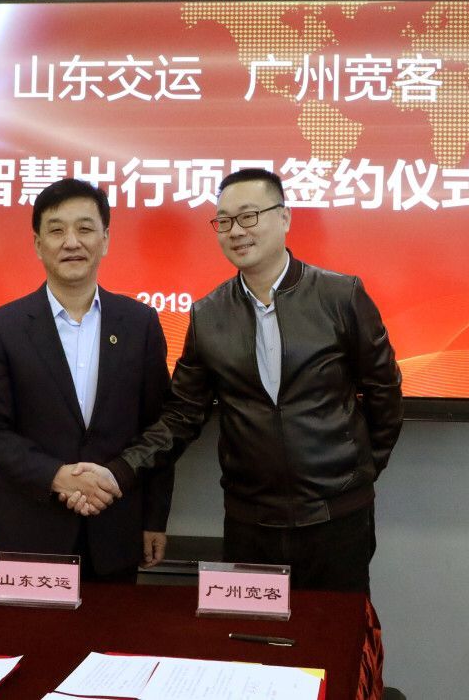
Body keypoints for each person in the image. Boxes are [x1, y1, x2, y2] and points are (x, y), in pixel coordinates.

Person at [80, 167, 403, 593]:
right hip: (251, 521)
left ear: (284, 218)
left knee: (334, 630)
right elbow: (181, 417)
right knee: (252, 633)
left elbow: (384, 391)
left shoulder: (341, 296)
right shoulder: (209, 315)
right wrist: (118, 472)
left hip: (337, 517)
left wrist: (359, 469)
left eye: (249, 216)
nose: (236, 231)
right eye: (224, 221)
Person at [0, 177, 173, 581]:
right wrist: (56, 476)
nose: (71, 242)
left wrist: (154, 519)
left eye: (85, 228)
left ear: (105, 240)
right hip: (28, 528)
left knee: (112, 624)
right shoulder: (3, 326)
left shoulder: (140, 323)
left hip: (116, 526)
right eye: (57, 230)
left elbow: (158, 428)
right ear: (37, 243)